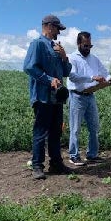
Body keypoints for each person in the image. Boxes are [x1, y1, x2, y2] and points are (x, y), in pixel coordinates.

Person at [24, 14, 72, 179]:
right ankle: (37, 165)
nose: (59, 32)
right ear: (50, 26)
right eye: (58, 28)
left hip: (56, 98)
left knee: (55, 132)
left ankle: (56, 164)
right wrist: (49, 80)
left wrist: (64, 57)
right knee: (41, 132)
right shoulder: (37, 44)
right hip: (43, 97)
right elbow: (29, 67)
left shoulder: (56, 47)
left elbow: (66, 72)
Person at [67, 31, 111, 166]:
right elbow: (72, 76)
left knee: (94, 126)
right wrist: (92, 78)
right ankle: (74, 155)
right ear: (78, 44)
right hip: (77, 96)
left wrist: (110, 79)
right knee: (75, 128)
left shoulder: (94, 59)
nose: (88, 49)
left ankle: (92, 154)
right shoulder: (72, 58)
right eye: (85, 46)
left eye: (90, 46)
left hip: (90, 96)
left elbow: (104, 72)